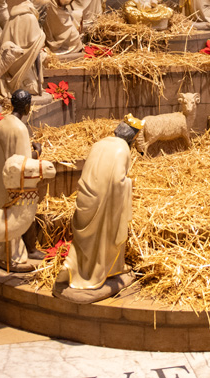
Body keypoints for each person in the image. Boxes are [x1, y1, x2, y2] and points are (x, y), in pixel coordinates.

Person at [56, 117, 140, 291]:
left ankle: (74, 266)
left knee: (84, 239)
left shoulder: (99, 143)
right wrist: (130, 184)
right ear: (132, 139)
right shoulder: (122, 149)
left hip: (85, 196)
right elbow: (117, 182)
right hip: (103, 201)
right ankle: (95, 273)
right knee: (104, 237)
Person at [0, 90, 43, 269]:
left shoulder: (0, 123)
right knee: (24, 213)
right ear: (27, 107)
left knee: (4, 212)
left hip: (0, 178)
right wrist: (37, 151)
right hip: (16, 183)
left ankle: (8, 248)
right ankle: (26, 250)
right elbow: (24, 162)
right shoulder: (20, 129)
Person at [0, 0, 48, 97]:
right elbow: (34, 44)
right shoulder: (31, 18)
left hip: (9, 57)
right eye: (47, 9)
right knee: (33, 89)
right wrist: (42, 35)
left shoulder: (16, 13)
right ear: (43, 9)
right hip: (19, 60)